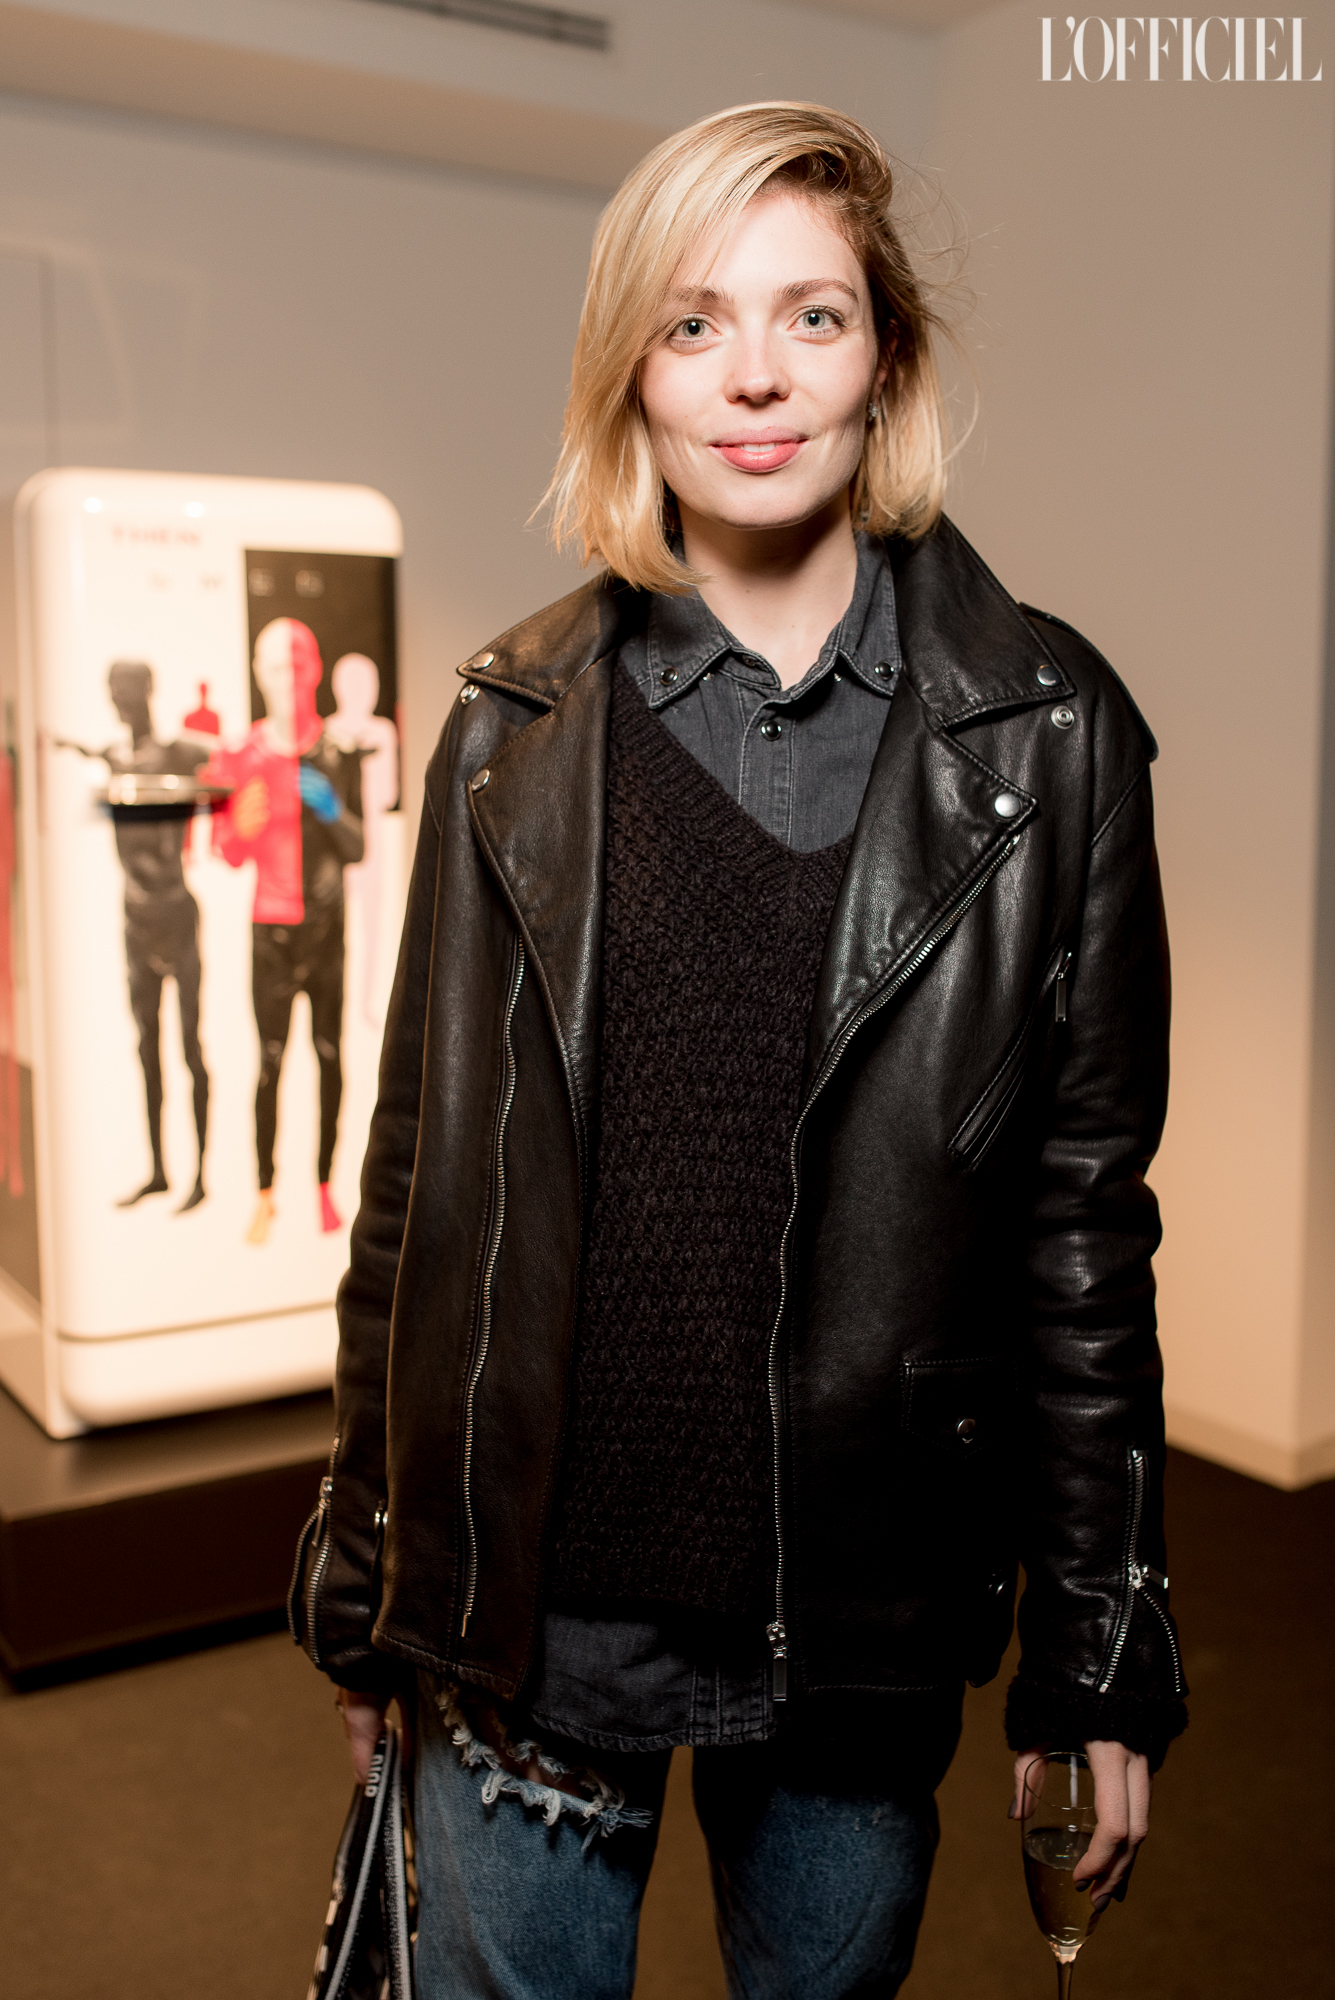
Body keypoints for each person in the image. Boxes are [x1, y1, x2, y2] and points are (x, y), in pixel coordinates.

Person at [294, 103, 1186, 1998]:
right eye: (693, 323)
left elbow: (1083, 1228)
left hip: (858, 1620)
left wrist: (1100, 1641)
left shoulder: (1050, 733)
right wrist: (370, 1589)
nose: (755, 377)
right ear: (632, 372)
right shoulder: (512, 728)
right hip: (537, 1627)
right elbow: (419, 1182)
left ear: (886, 359)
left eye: (812, 316)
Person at [207, 618, 363, 1243]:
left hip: (326, 926)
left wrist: (332, 810)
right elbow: (227, 850)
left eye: (298, 663)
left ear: (315, 669)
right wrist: (240, 828)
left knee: (329, 1056)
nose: (288, 677)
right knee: (269, 1062)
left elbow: (358, 847)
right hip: (270, 930)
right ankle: (266, 1193)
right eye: (276, 666)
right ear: (259, 673)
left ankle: (324, 1187)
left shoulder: (338, 752)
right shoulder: (241, 755)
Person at [57, 662, 211, 1212]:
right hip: (136, 920)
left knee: (189, 1046)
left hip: (175, 913)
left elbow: (220, 759)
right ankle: (159, 1170)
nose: (119, 702)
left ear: (146, 692)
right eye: (113, 693)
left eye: (126, 692)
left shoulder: (179, 752)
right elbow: (91, 751)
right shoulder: (116, 757)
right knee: (147, 1047)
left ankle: (200, 1174)